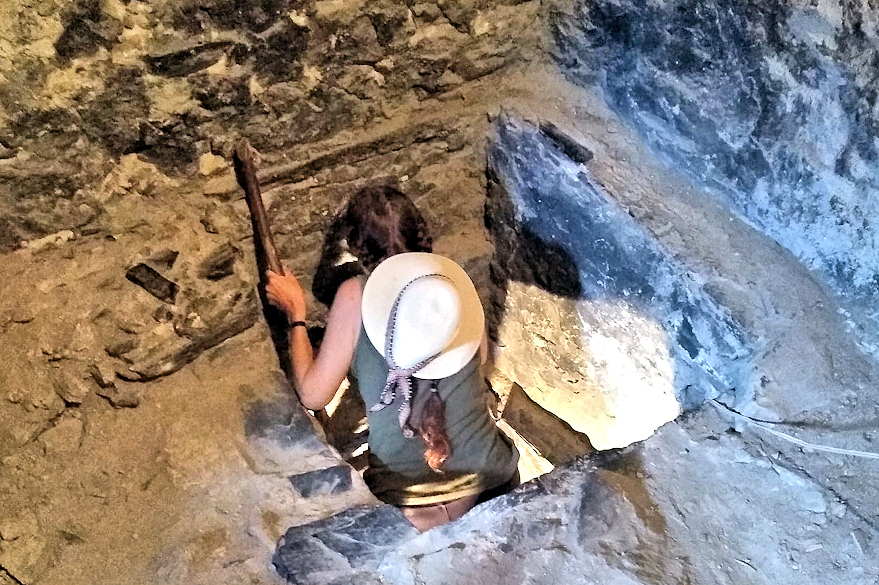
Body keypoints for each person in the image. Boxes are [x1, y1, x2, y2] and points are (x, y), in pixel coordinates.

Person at [265, 185, 519, 531]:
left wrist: (296, 312)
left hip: (408, 505)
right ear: (422, 232)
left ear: (356, 249)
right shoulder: (452, 284)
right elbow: (481, 361)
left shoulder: (355, 294)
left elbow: (313, 395)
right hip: (494, 482)